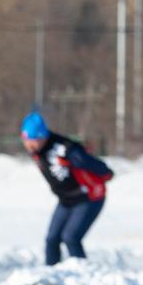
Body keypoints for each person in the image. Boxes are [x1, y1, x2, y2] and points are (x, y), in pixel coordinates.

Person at [20, 111, 114, 266]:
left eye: (34, 140)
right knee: (52, 239)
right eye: (26, 140)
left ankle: (83, 276)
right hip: (66, 199)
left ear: (44, 137)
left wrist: (106, 173)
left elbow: (91, 163)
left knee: (71, 237)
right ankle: (51, 275)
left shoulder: (65, 149)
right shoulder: (36, 149)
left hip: (88, 198)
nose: (30, 145)